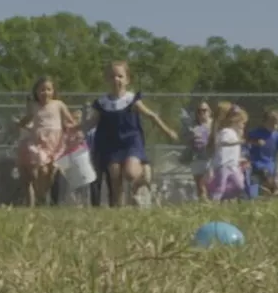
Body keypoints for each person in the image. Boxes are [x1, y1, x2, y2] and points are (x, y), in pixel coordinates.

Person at [86, 61, 178, 207]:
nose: (116, 79)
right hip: (111, 144)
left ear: (127, 79)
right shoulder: (102, 103)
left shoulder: (132, 99)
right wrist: (72, 129)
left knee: (130, 173)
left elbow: (151, 115)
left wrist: (167, 130)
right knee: (115, 176)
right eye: (112, 76)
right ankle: (118, 209)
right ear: (107, 79)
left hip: (130, 141)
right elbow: (91, 122)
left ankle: (144, 172)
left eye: (120, 76)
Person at [16, 77, 77, 207]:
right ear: (36, 92)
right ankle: (41, 196)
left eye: (49, 89)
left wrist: (73, 128)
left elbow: (70, 120)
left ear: (53, 91)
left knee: (51, 171)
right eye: (42, 90)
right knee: (42, 169)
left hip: (56, 141)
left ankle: (42, 194)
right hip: (39, 141)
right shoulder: (34, 106)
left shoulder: (58, 104)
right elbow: (27, 119)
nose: (45, 93)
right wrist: (20, 123)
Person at [246, 109, 278, 199]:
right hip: (256, 166)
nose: (275, 126)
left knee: (277, 187)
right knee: (253, 190)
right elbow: (246, 142)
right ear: (264, 121)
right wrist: (254, 142)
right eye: (272, 123)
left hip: (271, 167)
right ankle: (252, 198)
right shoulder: (255, 133)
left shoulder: (277, 135)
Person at [207, 103, 248, 202]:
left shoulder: (234, 134)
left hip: (233, 165)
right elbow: (223, 142)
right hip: (223, 165)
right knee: (220, 186)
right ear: (235, 122)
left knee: (239, 185)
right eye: (242, 123)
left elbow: (234, 151)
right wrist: (237, 142)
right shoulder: (226, 131)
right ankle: (214, 201)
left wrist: (240, 159)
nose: (243, 126)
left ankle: (223, 196)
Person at [183, 101, 213, 201]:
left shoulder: (214, 125)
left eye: (204, 110)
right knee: (200, 186)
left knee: (211, 185)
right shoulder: (192, 126)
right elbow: (185, 140)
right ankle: (204, 206)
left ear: (209, 111)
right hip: (197, 158)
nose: (202, 113)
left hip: (211, 159)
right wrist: (191, 137)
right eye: (199, 111)